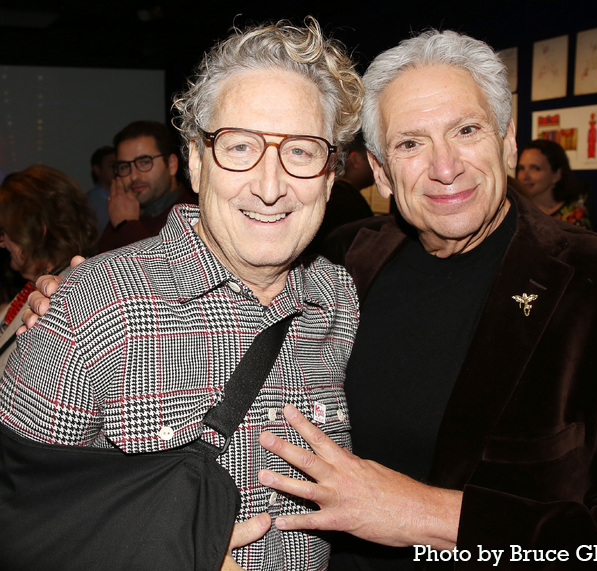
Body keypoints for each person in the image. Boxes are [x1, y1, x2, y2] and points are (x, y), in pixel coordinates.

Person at [245, 29, 597, 569]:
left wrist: (432, 516)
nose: (445, 167)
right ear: (383, 172)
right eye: (410, 143)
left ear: (506, 141)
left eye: (466, 130)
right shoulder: (340, 261)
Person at [2, 17, 363, 571]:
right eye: (239, 147)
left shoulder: (337, 302)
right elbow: (18, 514)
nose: (270, 187)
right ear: (194, 161)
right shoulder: (94, 305)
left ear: (331, 173)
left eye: (302, 151)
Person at [0, 164, 97, 370]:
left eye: (6, 232)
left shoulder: (65, 289)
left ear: (37, 231)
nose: (2, 242)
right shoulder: (38, 283)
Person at [97, 120, 197, 252]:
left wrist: (126, 224)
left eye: (144, 162)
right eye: (124, 166)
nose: (134, 176)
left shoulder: (192, 215)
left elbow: (165, 269)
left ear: (172, 164)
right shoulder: (123, 210)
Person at [307, 131, 374, 252]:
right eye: (371, 160)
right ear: (355, 160)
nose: (376, 168)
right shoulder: (348, 204)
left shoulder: (340, 196)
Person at [516, 139, 591, 229]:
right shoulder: (515, 211)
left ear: (556, 175)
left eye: (535, 168)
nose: (524, 176)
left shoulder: (573, 216)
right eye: (521, 168)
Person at [86, 145, 116, 234]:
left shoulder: (133, 198)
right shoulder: (88, 203)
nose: (117, 170)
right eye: (112, 166)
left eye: (120, 165)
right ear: (97, 170)